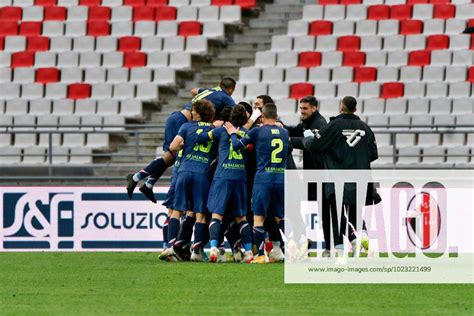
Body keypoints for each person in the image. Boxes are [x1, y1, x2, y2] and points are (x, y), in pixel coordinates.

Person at [126, 77, 237, 202]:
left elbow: (193, 90)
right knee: (170, 156)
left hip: (178, 117)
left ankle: (148, 184)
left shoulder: (210, 91)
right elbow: (237, 110)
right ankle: (136, 177)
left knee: (170, 158)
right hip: (181, 120)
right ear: (231, 90)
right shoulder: (225, 96)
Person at [302, 96, 379, 255]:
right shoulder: (365, 128)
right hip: (361, 177)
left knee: (335, 213)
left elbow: (315, 145)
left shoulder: (334, 125)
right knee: (354, 212)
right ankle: (362, 235)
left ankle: (338, 248)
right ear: (355, 109)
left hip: (338, 177)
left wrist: (307, 138)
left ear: (341, 107)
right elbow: (373, 154)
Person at [225, 103, 289, 264]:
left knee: (259, 218)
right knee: (280, 218)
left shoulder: (258, 131)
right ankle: (291, 250)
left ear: (261, 117)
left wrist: (233, 133)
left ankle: (261, 255)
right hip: (281, 179)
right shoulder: (284, 132)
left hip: (263, 179)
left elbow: (237, 145)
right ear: (276, 115)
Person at [159, 99, 217, 262]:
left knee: (177, 210)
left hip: (184, 171)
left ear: (197, 113)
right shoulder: (214, 130)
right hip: (202, 173)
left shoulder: (186, 127)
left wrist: (183, 145)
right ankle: (196, 251)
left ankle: (170, 247)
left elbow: (173, 146)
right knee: (200, 214)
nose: (191, 113)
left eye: (193, 110)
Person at [196, 105, 254, 263]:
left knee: (217, 215)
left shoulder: (221, 130)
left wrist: (211, 126)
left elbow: (200, 138)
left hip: (223, 175)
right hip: (240, 176)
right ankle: (248, 252)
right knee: (241, 217)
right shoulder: (247, 133)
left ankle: (214, 248)